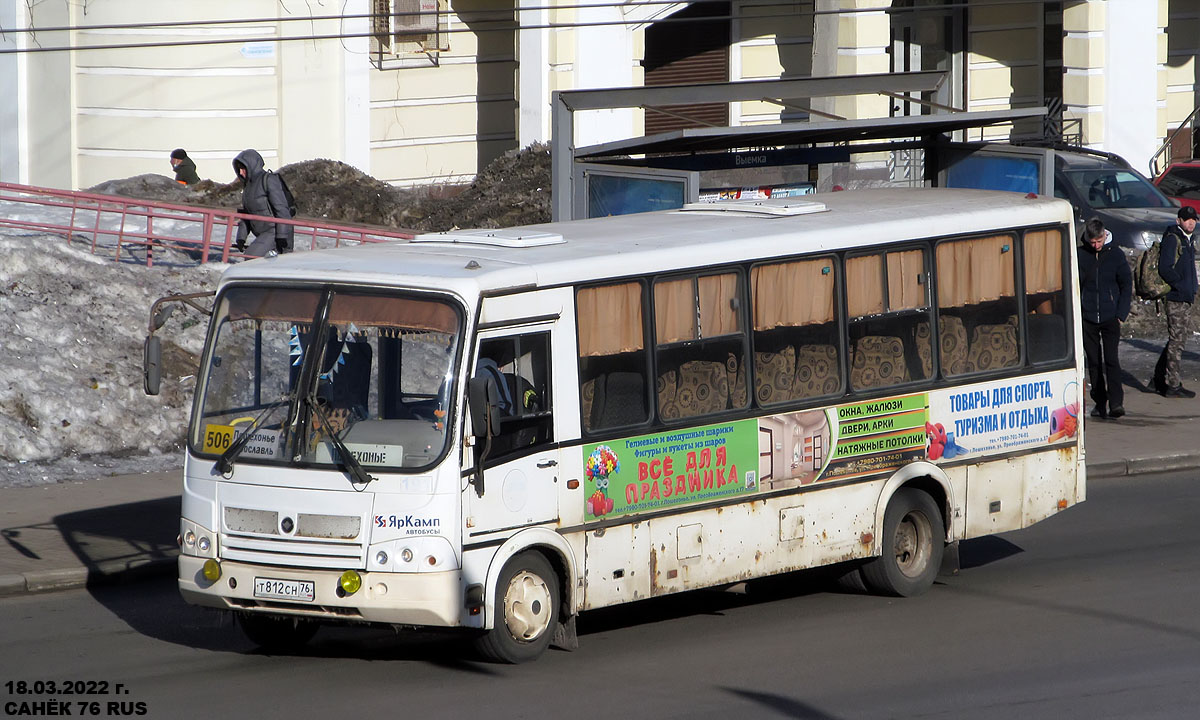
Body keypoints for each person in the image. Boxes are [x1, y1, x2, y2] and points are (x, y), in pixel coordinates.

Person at [1077, 218, 1132, 419]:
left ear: (1104, 236)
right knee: (1093, 361)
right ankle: (1099, 402)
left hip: (1111, 316)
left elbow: (1126, 284)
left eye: (1099, 241)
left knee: (1111, 360)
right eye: (1092, 242)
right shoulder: (1080, 254)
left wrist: (1121, 314)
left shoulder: (1116, 254)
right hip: (1088, 316)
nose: (1096, 245)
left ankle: (1116, 403)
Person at [1153, 205, 1199, 398]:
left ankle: (1158, 378)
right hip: (1175, 297)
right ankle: (1172, 384)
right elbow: (1165, 268)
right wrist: (1179, 285)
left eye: (1193, 219)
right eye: (1187, 219)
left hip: (1185, 296)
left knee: (1178, 339)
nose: (1191, 222)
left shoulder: (1188, 240)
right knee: (1177, 341)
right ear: (1178, 220)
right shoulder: (1173, 239)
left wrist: (1192, 288)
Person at [232, 148, 294, 257]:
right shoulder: (248, 187)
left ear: (251, 165)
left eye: (243, 168)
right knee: (259, 262)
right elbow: (247, 215)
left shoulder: (269, 180)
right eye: (239, 169)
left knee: (251, 256)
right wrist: (241, 238)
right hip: (263, 234)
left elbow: (282, 209)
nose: (241, 172)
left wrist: (282, 236)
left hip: (274, 232)